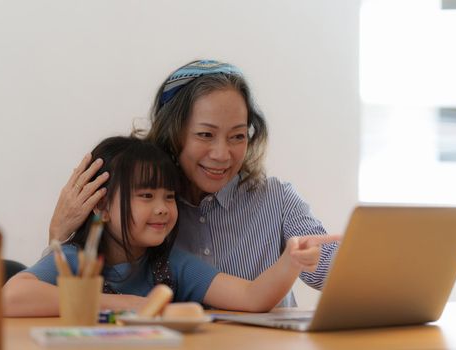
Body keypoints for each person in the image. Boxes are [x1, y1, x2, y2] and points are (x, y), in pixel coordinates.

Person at [47, 60, 340, 307]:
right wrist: (59, 234)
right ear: (173, 133)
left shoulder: (277, 198)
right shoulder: (140, 214)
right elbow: (59, 288)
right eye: (205, 135)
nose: (222, 154)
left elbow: (327, 270)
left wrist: (310, 259)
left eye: (238, 136)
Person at [3, 136, 337, 316]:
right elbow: (11, 297)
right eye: (146, 195)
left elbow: (251, 297)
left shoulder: (171, 265)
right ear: (102, 206)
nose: (163, 208)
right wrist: (126, 304)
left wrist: (289, 263)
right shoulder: (78, 260)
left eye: (170, 196)